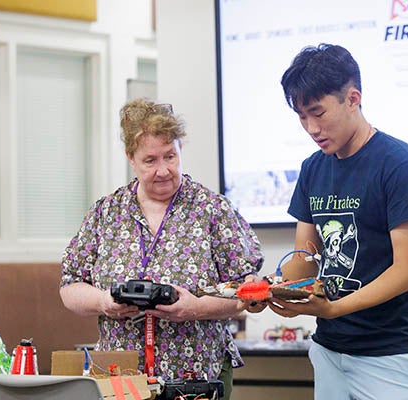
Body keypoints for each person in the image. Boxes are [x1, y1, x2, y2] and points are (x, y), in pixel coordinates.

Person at [249, 43, 408, 399]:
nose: (310, 127)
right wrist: (274, 292)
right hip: (330, 350)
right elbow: (303, 261)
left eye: (318, 113)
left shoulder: (399, 165)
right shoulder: (313, 168)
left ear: (353, 98)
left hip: (391, 353)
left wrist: (334, 307)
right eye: (301, 117)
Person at [60, 98, 264, 399]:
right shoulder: (106, 213)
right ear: (131, 158)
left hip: (197, 376)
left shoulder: (212, 210)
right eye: (150, 160)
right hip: (121, 378)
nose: (163, 170)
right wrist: (105, 301)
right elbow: (69, 288)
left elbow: (247, 292)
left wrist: (195, 308)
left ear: (180, 148)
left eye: (170, 156)